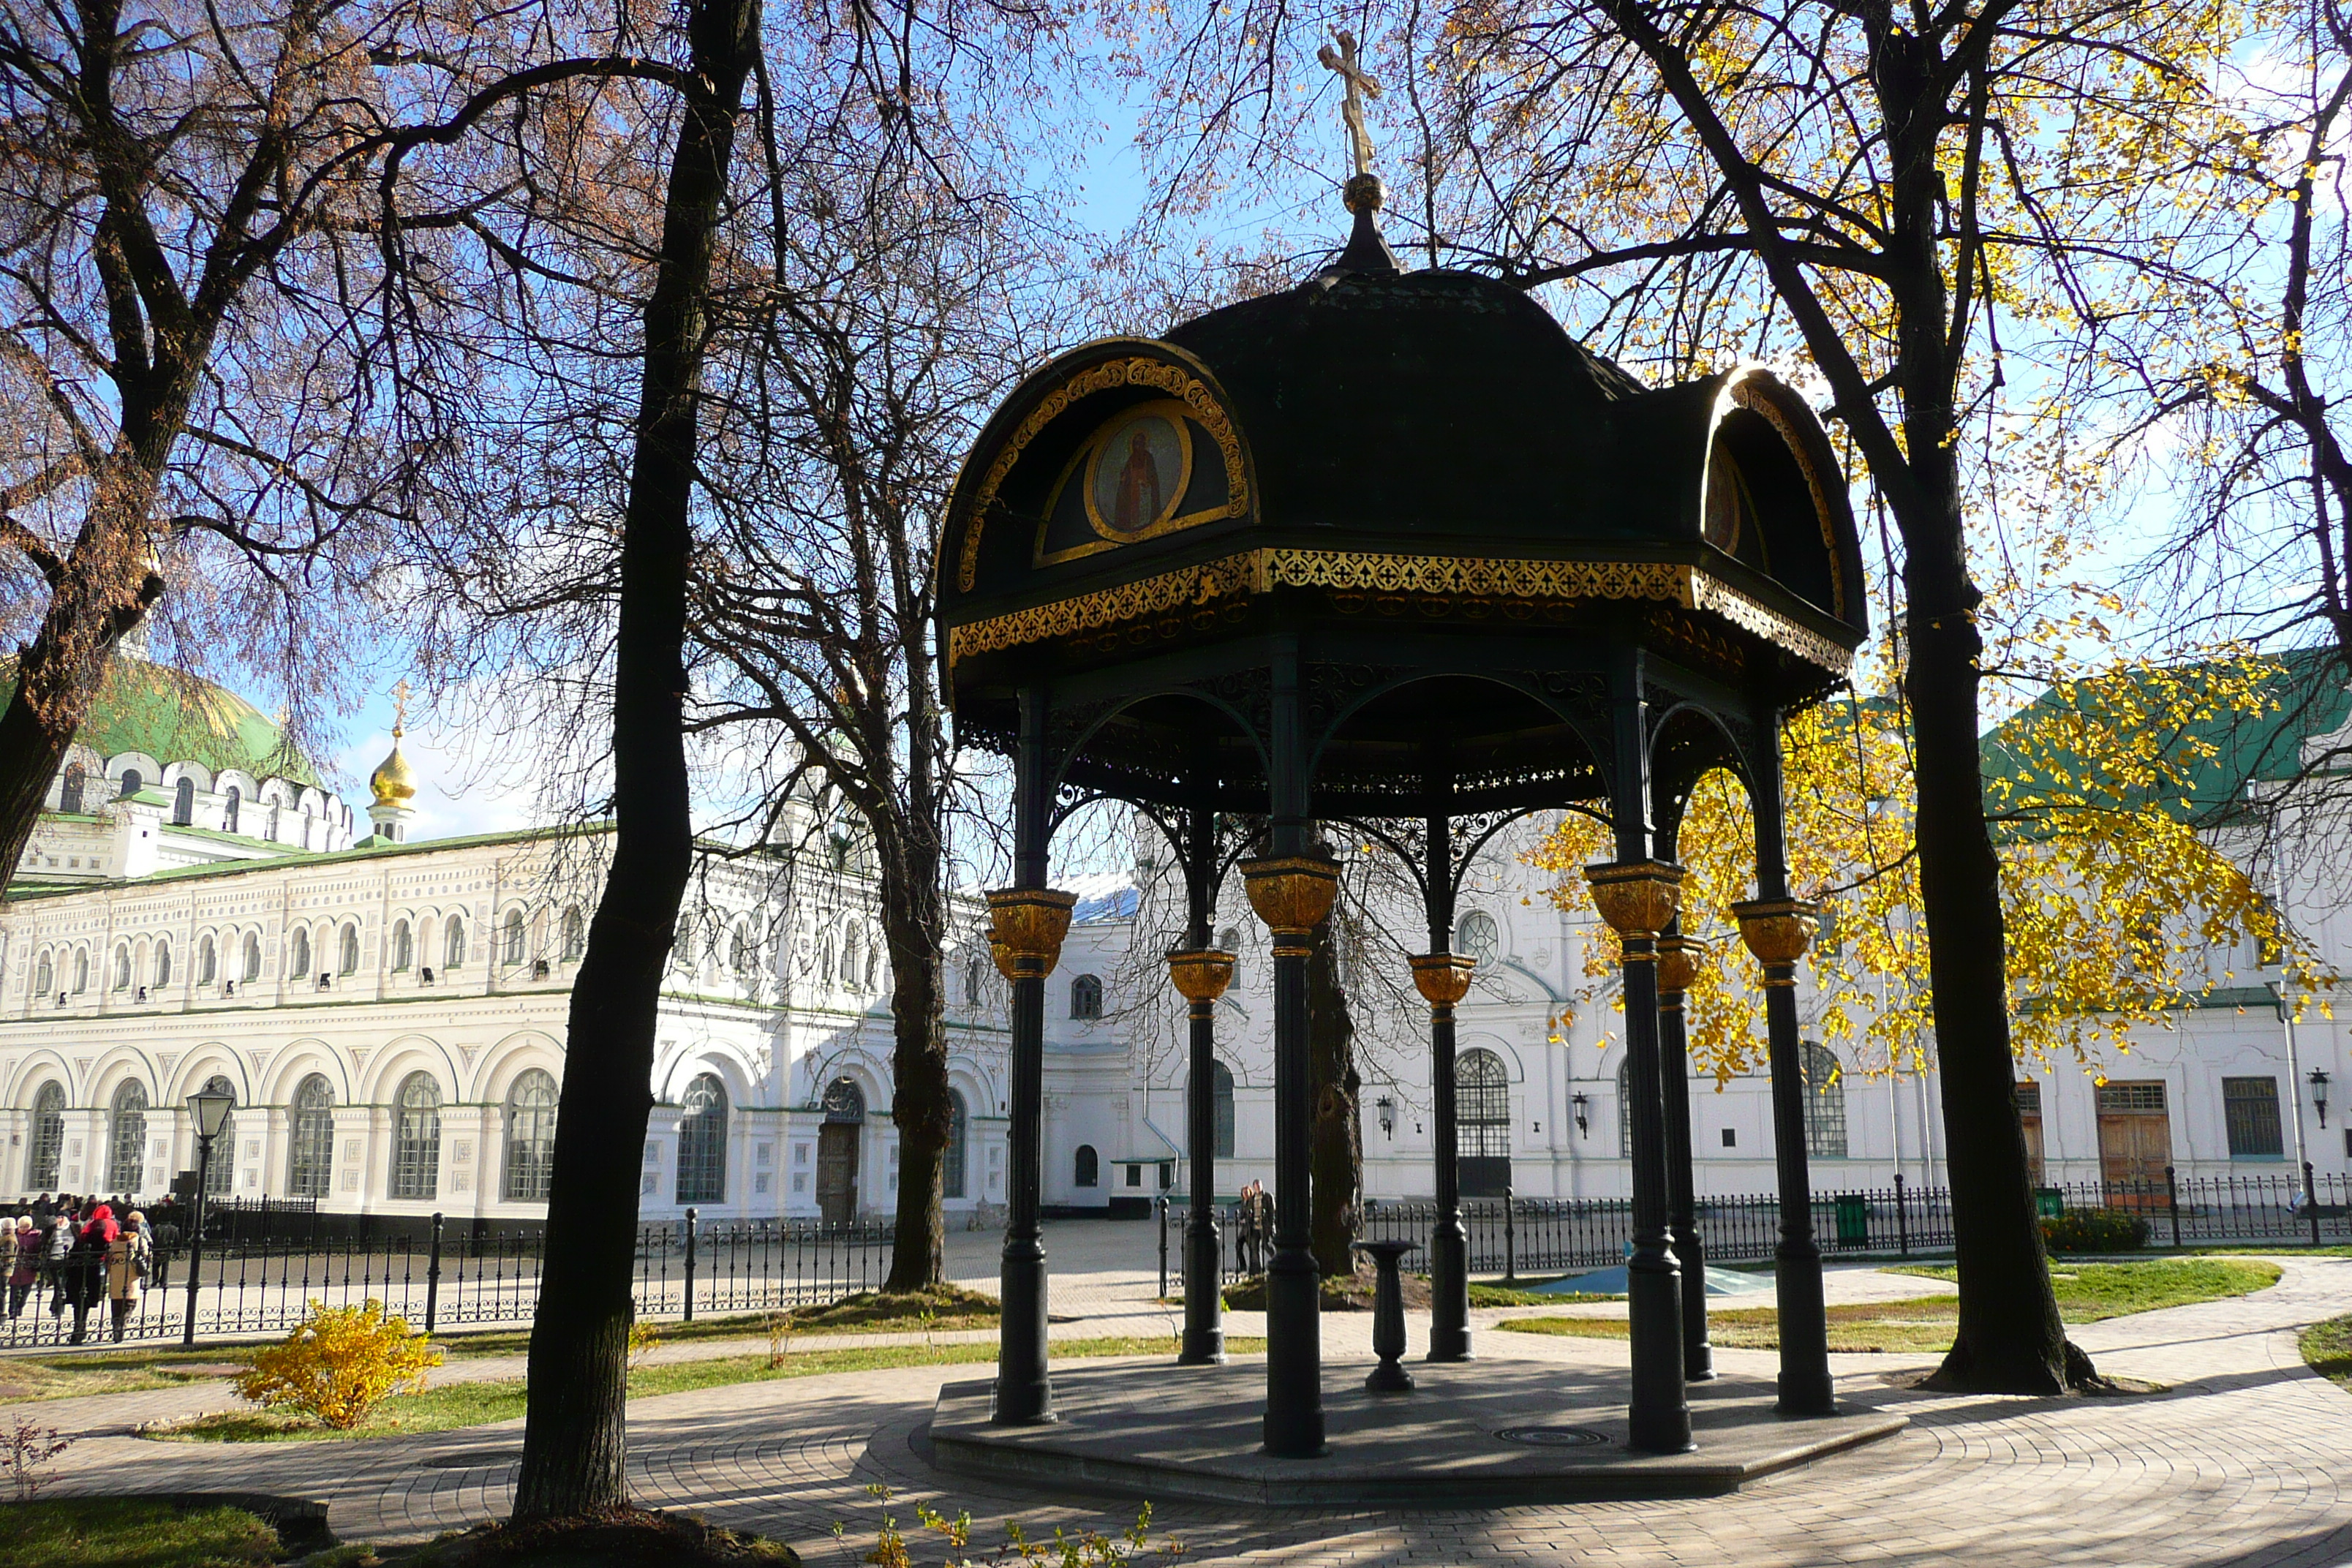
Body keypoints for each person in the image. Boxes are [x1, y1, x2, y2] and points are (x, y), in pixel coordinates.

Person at [64, 1201, 116, 1344]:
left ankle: (78, 1330)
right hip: (93, 1274)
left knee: (78, 1304)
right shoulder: (103, 1242)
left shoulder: (82, 1239)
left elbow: (72, 1257)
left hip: (78, 1276)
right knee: (85, 1303)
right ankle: (81, 1330)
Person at [105, 1210, 149, 1343]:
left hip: (116, 1277)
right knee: (129, 1304)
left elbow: (108, 1259)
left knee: (116, 1305)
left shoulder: (115, 1241)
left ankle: (115, 1328)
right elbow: (147, 1255)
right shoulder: (139, 1240)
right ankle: (121, 1329)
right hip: (132, 1277)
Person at [7, 1217, 37, 1320]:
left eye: (26, 1227)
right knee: (14, 1290)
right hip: (16, 1267)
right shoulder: (14, 1236)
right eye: (21, 1227)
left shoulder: (35, 1236)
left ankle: (20, 1306)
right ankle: (12, 1311)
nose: (24, 1229)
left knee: (25, 1292)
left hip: (29, 1267)